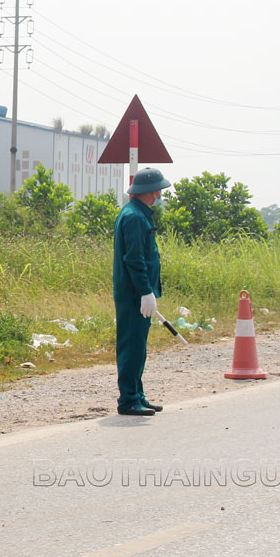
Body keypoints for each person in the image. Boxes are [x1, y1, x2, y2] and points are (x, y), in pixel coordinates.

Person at [113, 167, 171, 416]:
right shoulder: (135, 217)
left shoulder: (137, 213)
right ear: (151, 191)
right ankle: (128, 400)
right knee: (132, 346)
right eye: (158, 190)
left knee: (138, 346)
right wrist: (146, 292)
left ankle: (137, 394)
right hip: (134, 294)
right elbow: (135, 259)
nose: (159, 195)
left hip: (137, 293)